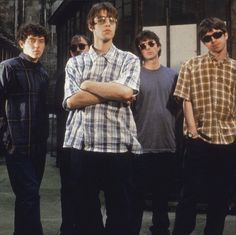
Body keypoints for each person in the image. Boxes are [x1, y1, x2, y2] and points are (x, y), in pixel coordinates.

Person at [62, 2, 141, 235]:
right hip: (82, 146)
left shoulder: (129, 60)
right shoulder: (75, 62)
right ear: (91, 25)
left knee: (121, 217)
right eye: (102, 20)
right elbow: (71, 101)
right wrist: (113, 92)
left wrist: (87, 85)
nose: (108, 24)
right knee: (85, 217)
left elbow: (127, 92)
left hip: (118, 146)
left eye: (112, 20)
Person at [172, 17, 236, 235]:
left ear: (226, 34)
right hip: (199, 139)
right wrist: (193, 131)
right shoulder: (191, 65)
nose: (213, 41)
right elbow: (185, 98)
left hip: (227, 140)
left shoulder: (235, 69)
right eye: (207, 38)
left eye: (217, 34)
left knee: (220, 197)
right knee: (189, 195)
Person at [0, 23, 49, 235]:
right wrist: (6, 137)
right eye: (32, 41)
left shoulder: (43, 73)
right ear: (21, 43)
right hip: (17, 146)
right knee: (29, 194)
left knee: (28, 196)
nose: (37, 45)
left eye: (41, 41)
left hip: (38, 146)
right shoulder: (8, 67)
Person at [132, 30, 178, 235]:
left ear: (158, 46)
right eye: (142, 46)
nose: (148, 48)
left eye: (151, 43)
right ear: (140, 51)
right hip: (141, 145)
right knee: (136, 196)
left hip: (166, 144)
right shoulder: (134, 76)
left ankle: (161, 230)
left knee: (162, 196)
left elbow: (179, 109)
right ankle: (131, 230)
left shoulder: (172, 75)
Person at [58, 34, 91, 234]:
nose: (78, 50)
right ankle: (68, 227)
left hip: (90, 142)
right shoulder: (64, 74)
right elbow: (63, 106)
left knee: (88, 189)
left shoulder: (96, 72)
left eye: (82, 46)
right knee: (69, 188)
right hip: (68, 143)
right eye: (74, 47)